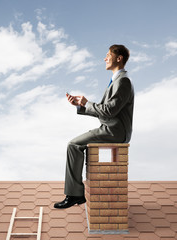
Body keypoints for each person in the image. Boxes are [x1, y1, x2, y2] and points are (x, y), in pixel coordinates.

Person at [54, 44, 134, 209]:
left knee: (73, 145)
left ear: (119, 58)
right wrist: (80, 106)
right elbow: (106, 112)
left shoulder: (123, 81)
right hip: (110, 128)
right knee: (74, 144)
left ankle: (75, 194)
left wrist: (87, 103)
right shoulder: (116, 80)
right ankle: (75, 193)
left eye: (108, 55)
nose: (104, 58)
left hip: (115, 132)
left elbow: (109, 111)